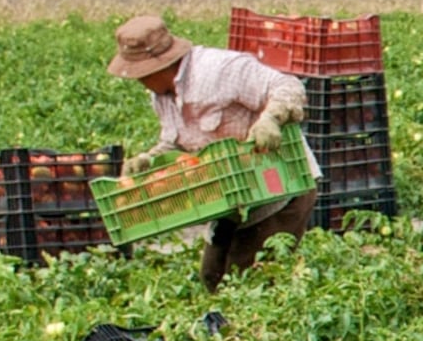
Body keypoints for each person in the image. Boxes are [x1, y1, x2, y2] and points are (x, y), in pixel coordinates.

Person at [107, 15, 322, 293]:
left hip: (280, 187)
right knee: (212, 278)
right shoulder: (161, 94)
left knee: (248, 284)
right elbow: (177, 143)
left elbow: (288, 86)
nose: (137, 80)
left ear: (159, 65)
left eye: (138, 72)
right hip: (232, 197)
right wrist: (150, 159)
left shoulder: (220, 70)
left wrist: (271, 118)